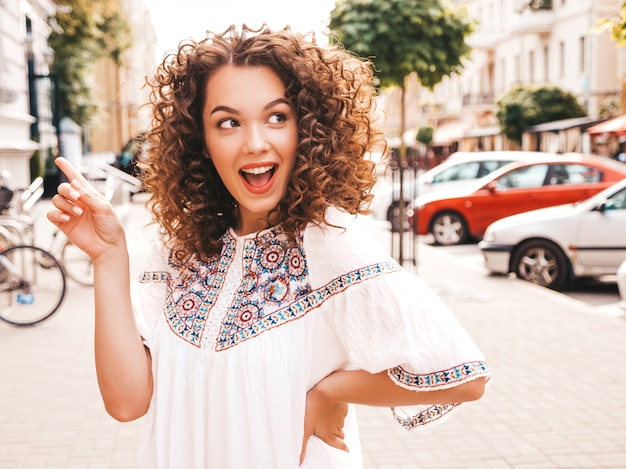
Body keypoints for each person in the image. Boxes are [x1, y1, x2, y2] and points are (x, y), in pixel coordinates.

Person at [47, 25, 491, 469]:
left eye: (277, 117)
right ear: (200, 141)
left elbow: (462, 376)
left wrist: (332, 390)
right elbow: (127, 402)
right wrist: (109, 258)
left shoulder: (329, 240)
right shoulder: (182, 247)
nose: (255, 143)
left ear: (309, 129)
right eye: (228, 123)